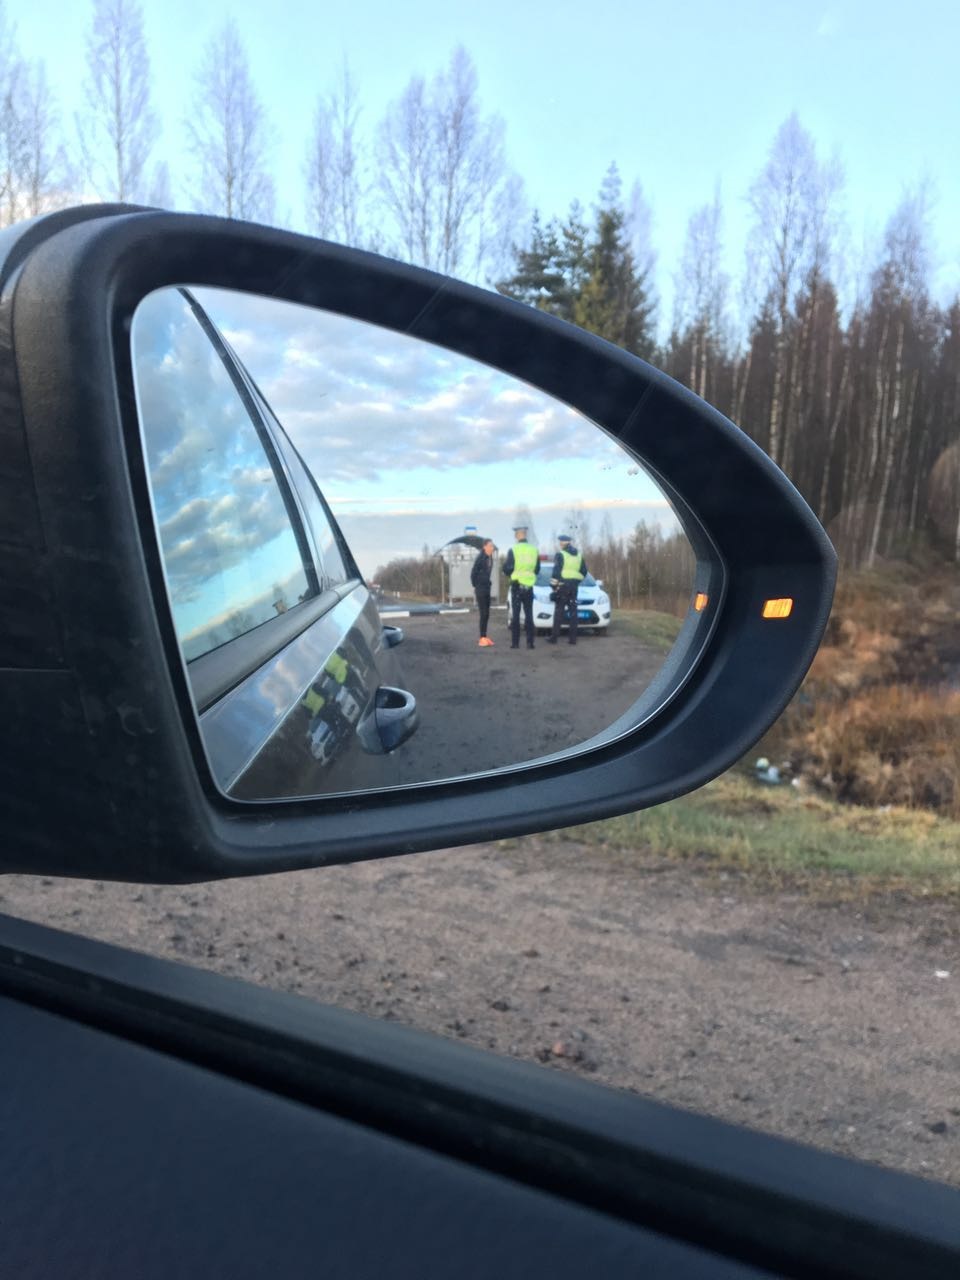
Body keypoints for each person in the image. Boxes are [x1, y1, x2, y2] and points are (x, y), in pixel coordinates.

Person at [501, 524, 539, 649]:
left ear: (518, 535)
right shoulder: (534, 550)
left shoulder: (514, 550)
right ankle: (530, 643)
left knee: (516, 615)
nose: (515, 535)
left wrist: (508, 572)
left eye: (515, 533)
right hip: (529, 587)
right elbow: (537, 569)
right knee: (529, 615)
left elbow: (508, 568)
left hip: (517, 586)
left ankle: (515, 643)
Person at [548, 534, 587, 646]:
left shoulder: (561, 555)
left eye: (560, 542)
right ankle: (573, 639)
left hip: (563, 587)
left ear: (563, 543)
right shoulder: (579, 555)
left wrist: (554, 587)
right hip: (574, 587)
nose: (559, 544)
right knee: (573, 612)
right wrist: (576, 581)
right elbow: (584, 572)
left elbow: (556, 572)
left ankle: (554, 638)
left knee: (559, 612)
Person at [470, 538, 496, 647]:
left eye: (492, 545)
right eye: (490, 545)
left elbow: (486, 573)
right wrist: (477, 585)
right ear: (484, 546)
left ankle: (485, 637)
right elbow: (473, 573)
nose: (492, 547)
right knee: (483, 613)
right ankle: (481, 638)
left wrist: (487, 582)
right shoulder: (480, 558)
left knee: (487, 614)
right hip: (481, 589)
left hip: (487, 588)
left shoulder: (490, 558)